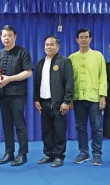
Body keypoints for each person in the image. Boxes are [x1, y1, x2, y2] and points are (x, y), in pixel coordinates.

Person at [0, 25, 33, 166]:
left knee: (19, 125)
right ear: (1, 37)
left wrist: (9, 79)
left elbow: (28, 72)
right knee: (6, 125)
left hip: (18, 95)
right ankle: (9, 152)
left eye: (9, 35)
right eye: (4, 35)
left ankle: (23, 154)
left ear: (15, 37)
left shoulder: (23, 52)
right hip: (3, 95)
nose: (6, 38)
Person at [33, 35, 74, 168]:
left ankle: (59, 156)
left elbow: (69, 82)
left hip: (59, 103)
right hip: (44, 103)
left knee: (59, 131)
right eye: (46, 45)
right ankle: (48, 154)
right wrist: (36, 99)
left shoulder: (64, 61)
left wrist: (66, 101)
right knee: (46, 131)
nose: (48, 47)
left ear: (58, 46)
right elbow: (36, 83)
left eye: (51, 44)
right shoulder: (40, 63)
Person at [69, 28, 107, 165]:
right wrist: (70, 97)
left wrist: (102, 95)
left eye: (86, 37)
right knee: (80, 127)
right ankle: (84, 152)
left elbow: (103, 76)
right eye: (81, 37)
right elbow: (69, 80)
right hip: (78, 98)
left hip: (94, 98)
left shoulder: (98, 56)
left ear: (90, 39)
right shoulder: (72, 58)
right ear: (77, 40)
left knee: (96, 127)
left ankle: (97, 154)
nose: (84, 39)